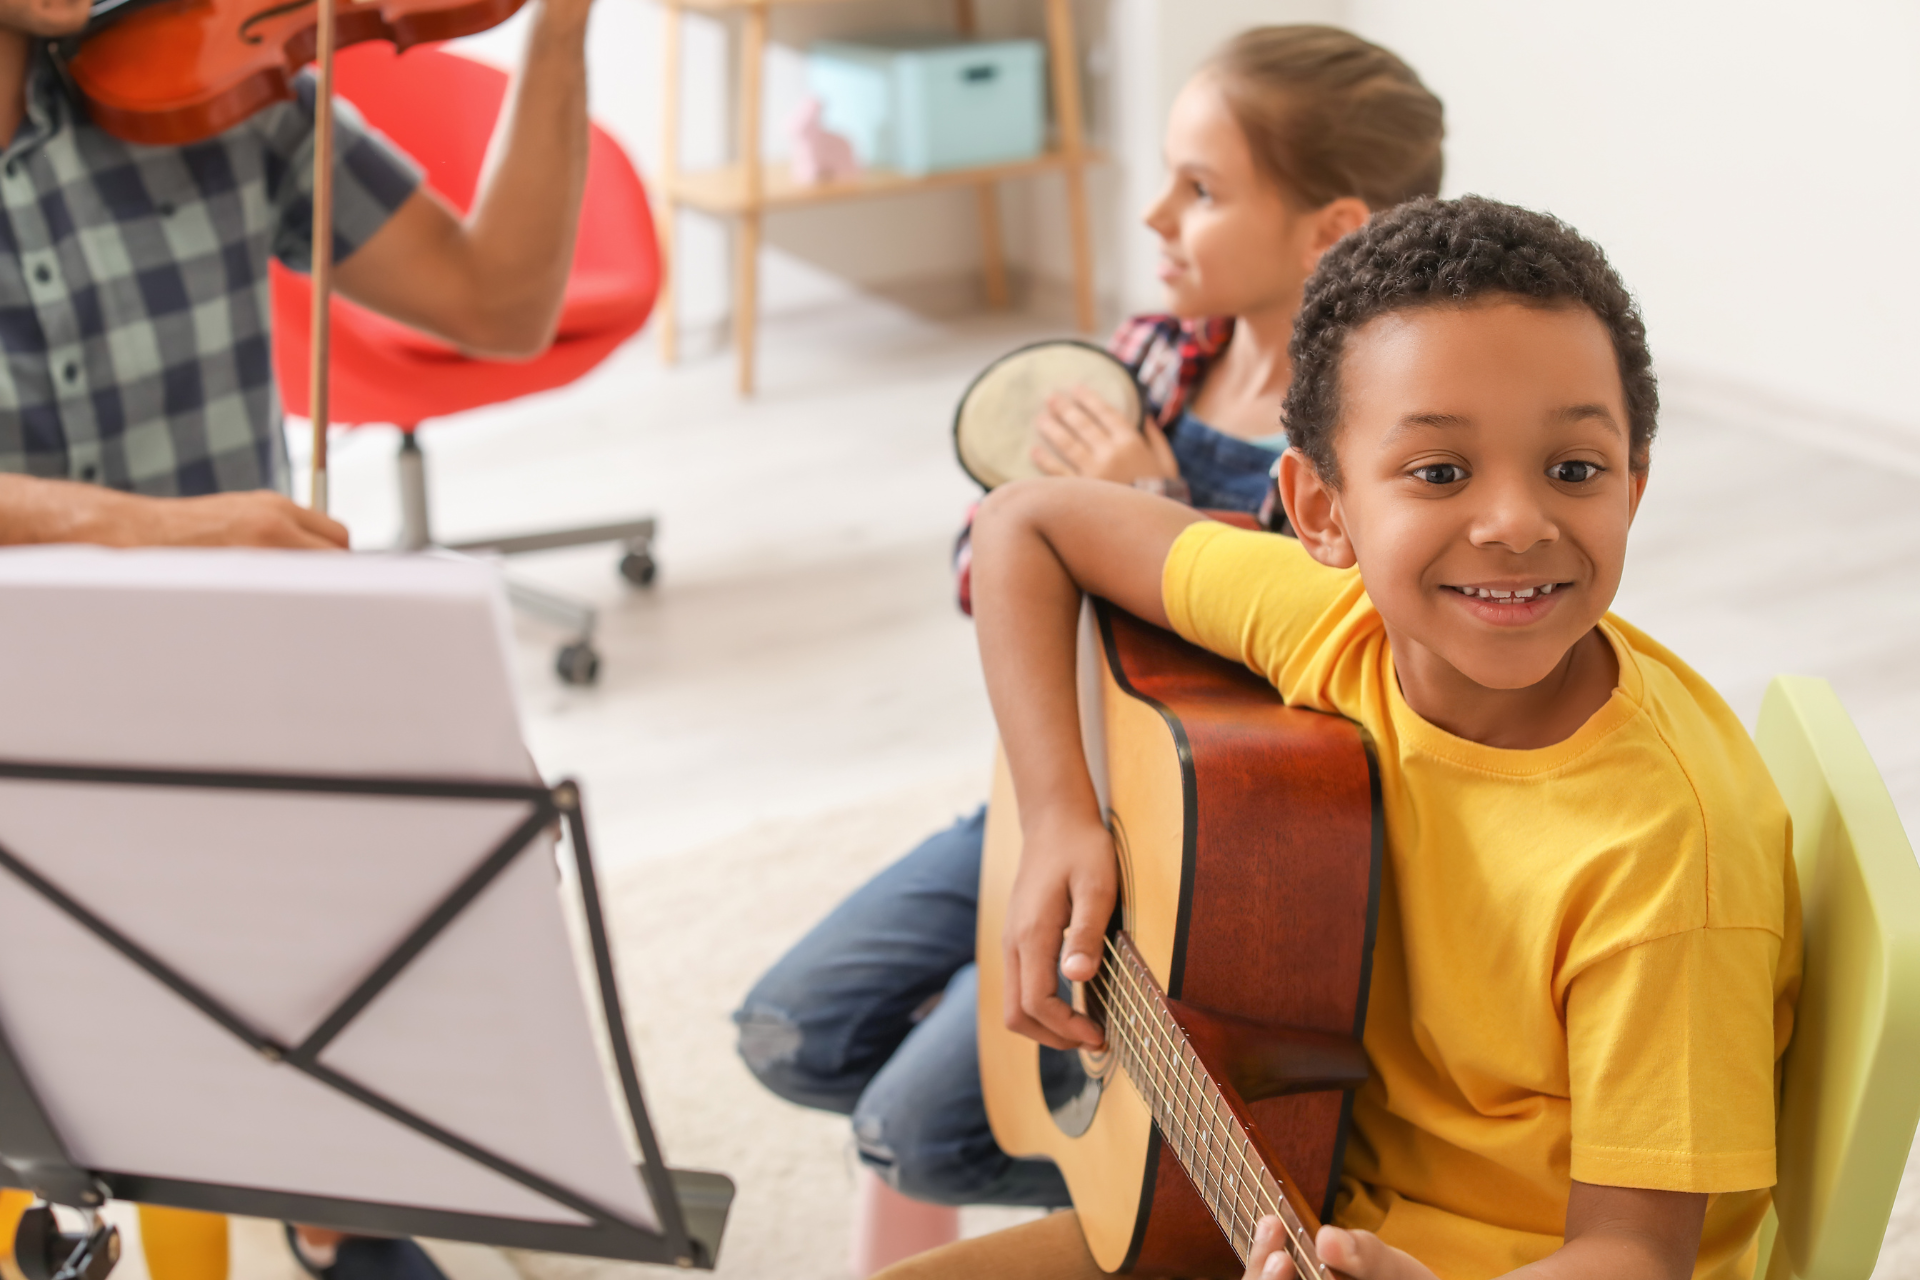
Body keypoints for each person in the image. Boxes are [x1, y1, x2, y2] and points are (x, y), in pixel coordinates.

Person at [882, 196, 1801, 1280]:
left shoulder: (1664, 857)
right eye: (1441, 472)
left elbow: (1640, 1256)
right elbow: (1024, 521)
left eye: (1575, 468)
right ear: (1322, 511)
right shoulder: (1338, 621)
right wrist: (1059, 817)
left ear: (1633, 486)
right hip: (1297, 1184)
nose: (1515, 521)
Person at [734, 25, 1445, 1208]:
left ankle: (1151, 1183)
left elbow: (1319, 672)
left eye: (1201, 189)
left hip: (1201, 851)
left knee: (911, 1136)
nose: (1156, 214)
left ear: (1333, 231)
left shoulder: (1368, 442)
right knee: (787, 1029)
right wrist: (1070, 515)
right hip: (1045, 781)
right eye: (1167, 176)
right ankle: (991, 1029)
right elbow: (981, 565)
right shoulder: (1153, 356)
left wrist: (1146, 508)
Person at [0, 0, 596, 549]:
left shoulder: (215, 84)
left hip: (237, 643)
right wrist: (152, 531)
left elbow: (502, 306)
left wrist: (560, 30)